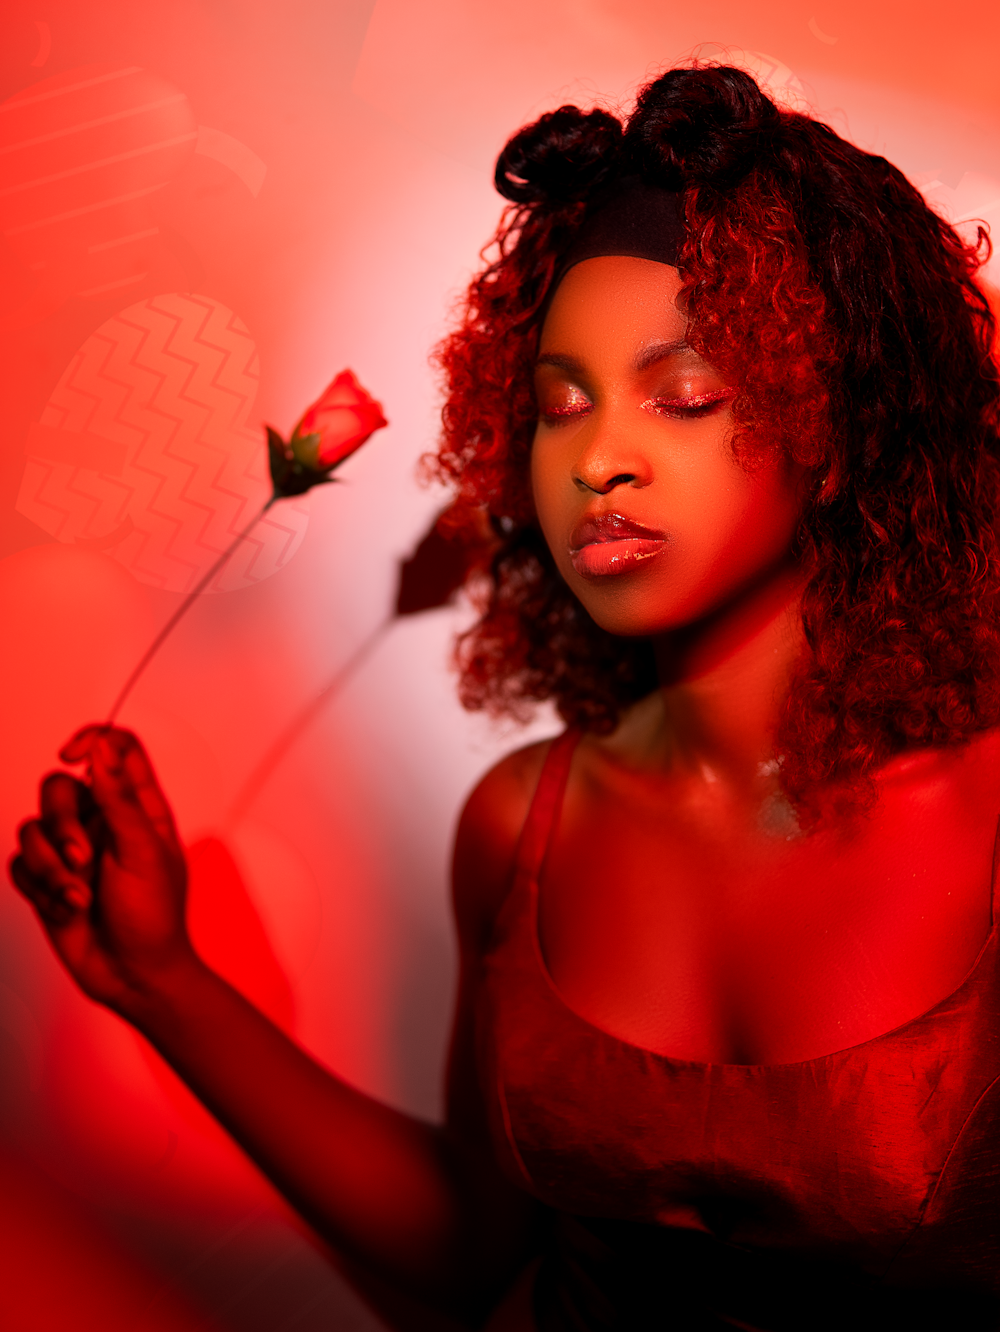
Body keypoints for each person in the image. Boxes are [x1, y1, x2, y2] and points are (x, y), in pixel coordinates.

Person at [10, 63, 1000, 1331]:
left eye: (684, 393)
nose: (599, 457)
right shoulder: (519, 826)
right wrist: (161, 979)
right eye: (558, 405)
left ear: (842, 428)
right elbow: (470, 1253)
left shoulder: (982, 819)